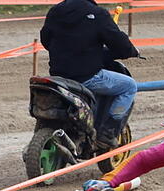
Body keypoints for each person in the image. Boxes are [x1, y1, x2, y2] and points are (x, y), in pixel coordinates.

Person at [40, 0, 139, 148]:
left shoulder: (55, 11)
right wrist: (130, 51)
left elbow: (45, 39)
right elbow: (118, 41)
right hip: (86, 76)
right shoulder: (98, 13)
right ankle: (107, 134)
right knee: (129, 86)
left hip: (58, 75)